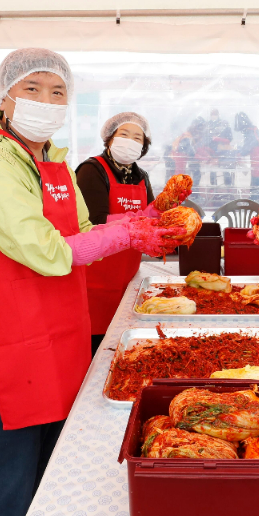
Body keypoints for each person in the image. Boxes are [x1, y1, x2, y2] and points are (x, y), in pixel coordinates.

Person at [0, 49, 185, 516]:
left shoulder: (53, 161)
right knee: (13, 475)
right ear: (6, 95)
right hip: (7, 339)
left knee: (53, 462)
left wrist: (138, 221)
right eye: (32, 89)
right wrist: (126, 233)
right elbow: (44, 249)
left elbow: (82, 230)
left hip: (58, 329)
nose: (46, 99)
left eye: (57, 91)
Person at [76, 112, 182, 357]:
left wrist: (164, 212)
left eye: (138, 137)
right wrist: (137, 223)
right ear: (110, 138)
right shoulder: (92, 170)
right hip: (97, 274)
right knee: (97, 345)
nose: (130, 141)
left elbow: (149, 217)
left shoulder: (140, 176)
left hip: (127, 271)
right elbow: (93, 222)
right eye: (124, 134)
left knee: (123, 340)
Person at [234, 112, 259, 199]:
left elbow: (247, 147)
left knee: (257, 181)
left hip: (258, 159)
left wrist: (239, 152)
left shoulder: (249, 132)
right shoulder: (254, 129)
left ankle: (256, 200)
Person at [207, 109, 235, 186]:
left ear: (218, 115)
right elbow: (206, 138)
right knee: (212, 170)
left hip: (223, 150)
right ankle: (213, 186)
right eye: (212, 114)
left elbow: (229, 138)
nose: (213, 116)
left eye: (215, 114)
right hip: (212, 150)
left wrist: (218, 139)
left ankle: (228, 186)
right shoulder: (208, 124)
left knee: (225, 169)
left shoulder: (224, 124)